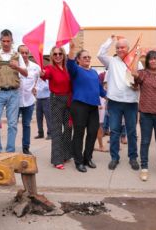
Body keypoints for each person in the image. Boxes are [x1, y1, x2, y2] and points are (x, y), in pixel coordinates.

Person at [97, 35, 141, 171]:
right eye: (118, 47)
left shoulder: (136, 61)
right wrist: (110, 40)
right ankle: (114, 158)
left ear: (128, 48)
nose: (120, 49)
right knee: (114, 131)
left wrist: (137, 85)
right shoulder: (111, 61)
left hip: (131, 102)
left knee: (132, 132)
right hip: (115, 102)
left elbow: (140, 80)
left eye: (122, 47)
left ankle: (133, 157)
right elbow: (100, 54)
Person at [0, 29, 28, 154]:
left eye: (8, 41)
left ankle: (10, 151)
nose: (6, 43)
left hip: (13, 93)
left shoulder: (17, 55)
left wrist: (17, 66)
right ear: (0, 41)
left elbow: (25, 73)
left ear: (12, 41)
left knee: (13, 124)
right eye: (4, 41)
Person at [132, 50, 156, 181]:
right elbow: (133, 73)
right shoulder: (143, 74)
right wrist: (138, 56)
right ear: (147, 61)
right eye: (151, 59)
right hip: (146, 114)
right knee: (145, 142)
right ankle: (144, 169)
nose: (153, 61)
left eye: (155, 58)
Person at [67, 41, 106, 173]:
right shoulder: (76, 70)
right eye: (84, 57)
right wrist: (72, 49)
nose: (88, 59)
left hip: (93, 107)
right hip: (79, 106)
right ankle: (78, 161)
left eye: (89, 57)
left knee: (92, 133)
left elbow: (100, 90)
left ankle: (87, 158)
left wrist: (110, 96)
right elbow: (70, 64)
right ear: (78, 59)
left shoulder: (94, 72)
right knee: (79, 133)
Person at [41, 46, 73, 170]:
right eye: (55, 54)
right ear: (52, 56)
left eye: (60, 53)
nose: (58, 56)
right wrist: (42, 73)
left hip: (69, 100)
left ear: (63, 55)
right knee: (56, 130)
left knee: (69, 128)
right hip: (56, 100)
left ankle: (66, 154)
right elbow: (45, 74)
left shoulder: (67, 68)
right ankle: (57, 159)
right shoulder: (50, 68)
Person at [18, 45, 39, 154]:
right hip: (15, 102)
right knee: (12, 125)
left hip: (29, 101)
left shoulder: (35, 67)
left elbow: (40, 80)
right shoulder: (14, 66)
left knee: (26, 125)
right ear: (18, 54)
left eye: (26, 53)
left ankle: (26, 147)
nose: (24, 55)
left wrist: (36, 88)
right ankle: (10, 148)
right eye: (22, 53)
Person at [34, 74, 52, 140]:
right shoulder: (38, 78)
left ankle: (50, 133)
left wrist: (38, 86)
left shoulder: (47, 78)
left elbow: (47, 87)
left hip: (46, 99)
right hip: (38, 99)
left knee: (48, 117)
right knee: (39, 117)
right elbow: (36, 86)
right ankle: (40, 133)